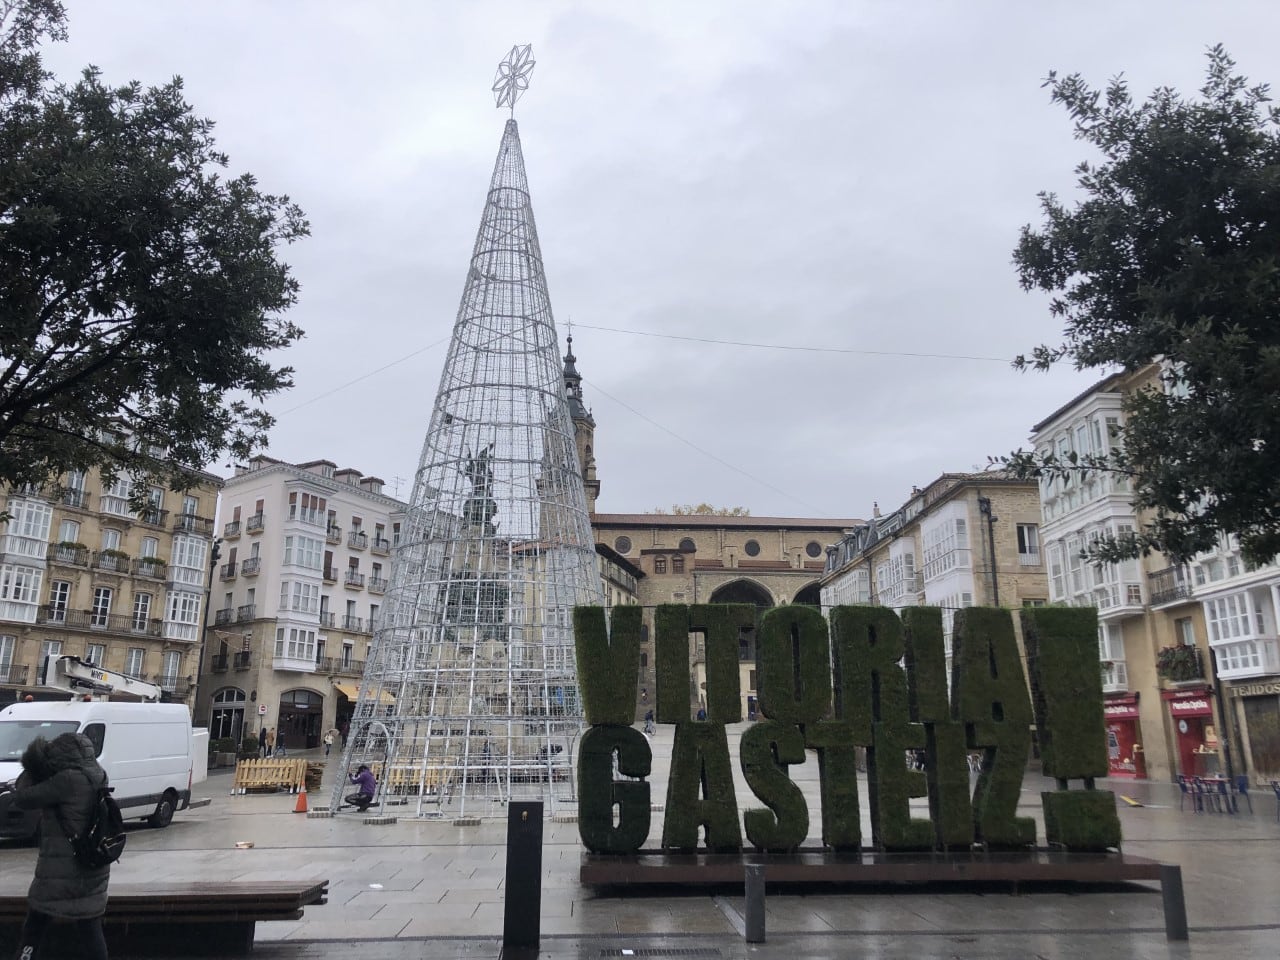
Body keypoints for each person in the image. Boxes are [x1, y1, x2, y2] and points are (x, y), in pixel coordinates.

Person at [9, 733, 111, 960]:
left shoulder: (66, 780)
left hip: (61, 871)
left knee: (34, 928)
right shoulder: (98, 774)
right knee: (90, 929)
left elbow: (23, 797)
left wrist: (33, 765)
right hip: (92, 865)